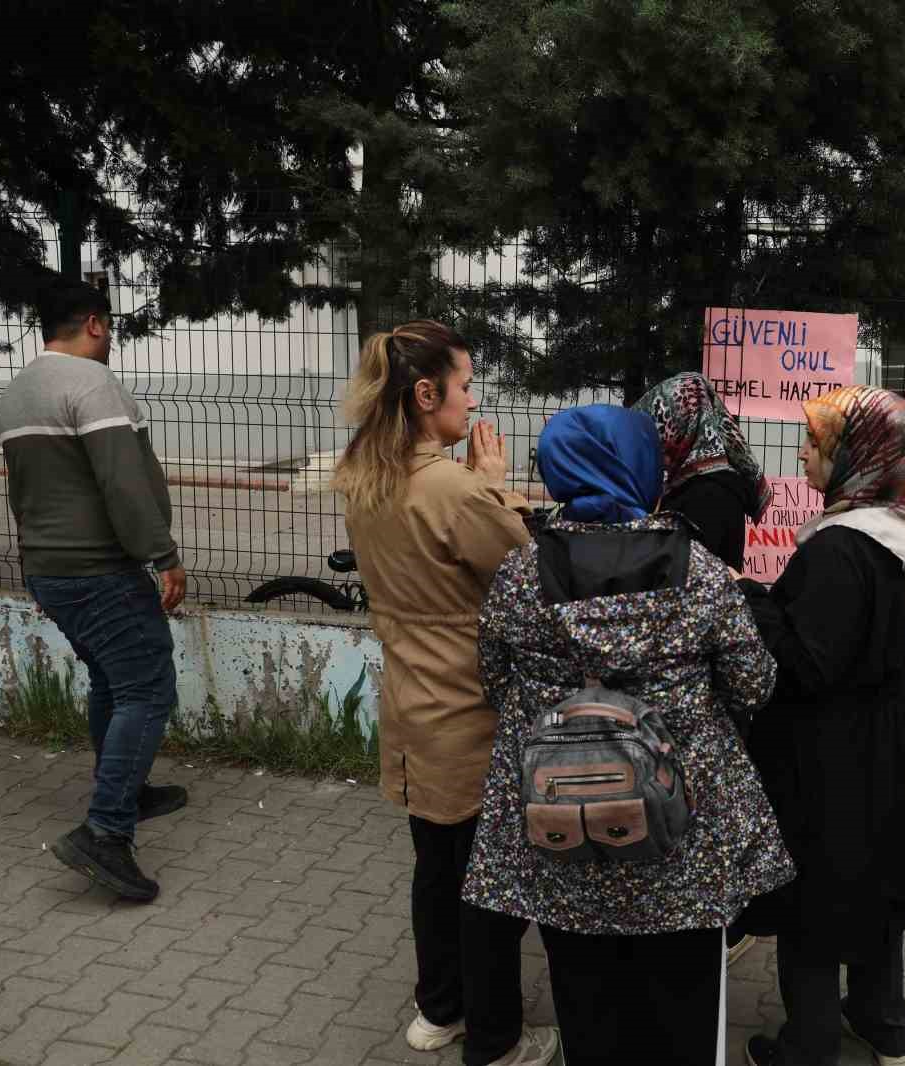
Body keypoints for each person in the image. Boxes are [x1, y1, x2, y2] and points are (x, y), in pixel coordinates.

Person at [461, 404, 796, 1066]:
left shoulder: (520, 575)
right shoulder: (701, 574)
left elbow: (494, 686)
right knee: (684, 1007)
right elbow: (754, 685)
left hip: (568, 829)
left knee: (584, 1000)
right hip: (680, 837)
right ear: (642, 468)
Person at [334, 321, 557, 1066]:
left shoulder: (364, 475)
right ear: (426, 395)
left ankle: (439, 1011)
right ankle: (493, 1041)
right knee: (486, 889)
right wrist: (494, 489)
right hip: (469, 714)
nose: (473, 401)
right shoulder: (455, 489)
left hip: (411, 709)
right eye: (464, 387)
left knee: (435, 872)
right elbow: (526, 577)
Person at [735, 385, 905, 1066]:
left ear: (860, 455)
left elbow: (808, 662)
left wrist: (752, 599)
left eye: (816, 443)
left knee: (816, 901)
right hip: (885, 739)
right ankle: (884, 1024)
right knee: (877, 881)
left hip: (831, 755)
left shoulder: (839, 550)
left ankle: (809, 1043)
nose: (801, 453)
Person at [0, 282, 189, 903]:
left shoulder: (17, 388)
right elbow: (124, 484)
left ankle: (126, 789)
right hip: (98, 569)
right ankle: (105, 832)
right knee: (148, 684)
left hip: (51, 568)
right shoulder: (91, 382)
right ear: (95, 324)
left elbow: (26, 492)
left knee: (112, 680)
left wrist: (38, 564)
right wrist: (163, 556)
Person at [635, 370, 775, 967]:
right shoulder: (708, 475)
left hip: (704, 665)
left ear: (681, 425)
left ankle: (723, 925)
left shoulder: (705, 491)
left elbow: (689, 584)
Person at [635, 371, 773, 571]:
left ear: (680, 425)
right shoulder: (704, 481)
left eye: (663, 425)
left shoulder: (706, 493)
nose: (659, 438)